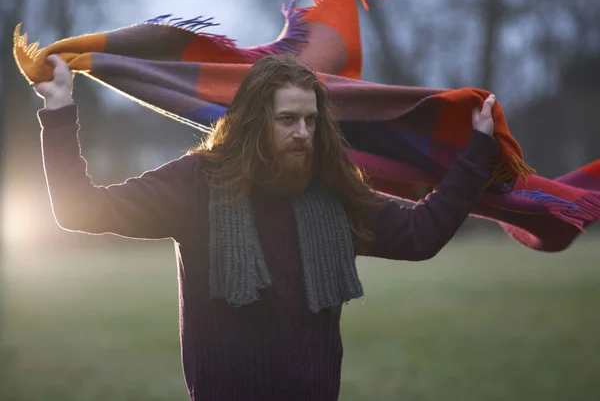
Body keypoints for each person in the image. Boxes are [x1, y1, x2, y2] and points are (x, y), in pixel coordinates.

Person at [34, 53, 498, 401]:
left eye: (311, 121)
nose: (303, 133)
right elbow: (79, 208)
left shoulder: (332, 190)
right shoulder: (198, 183)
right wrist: (59, 110)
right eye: (288, 120)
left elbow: (420, 235)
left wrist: (476, 154)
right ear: (255, 122)